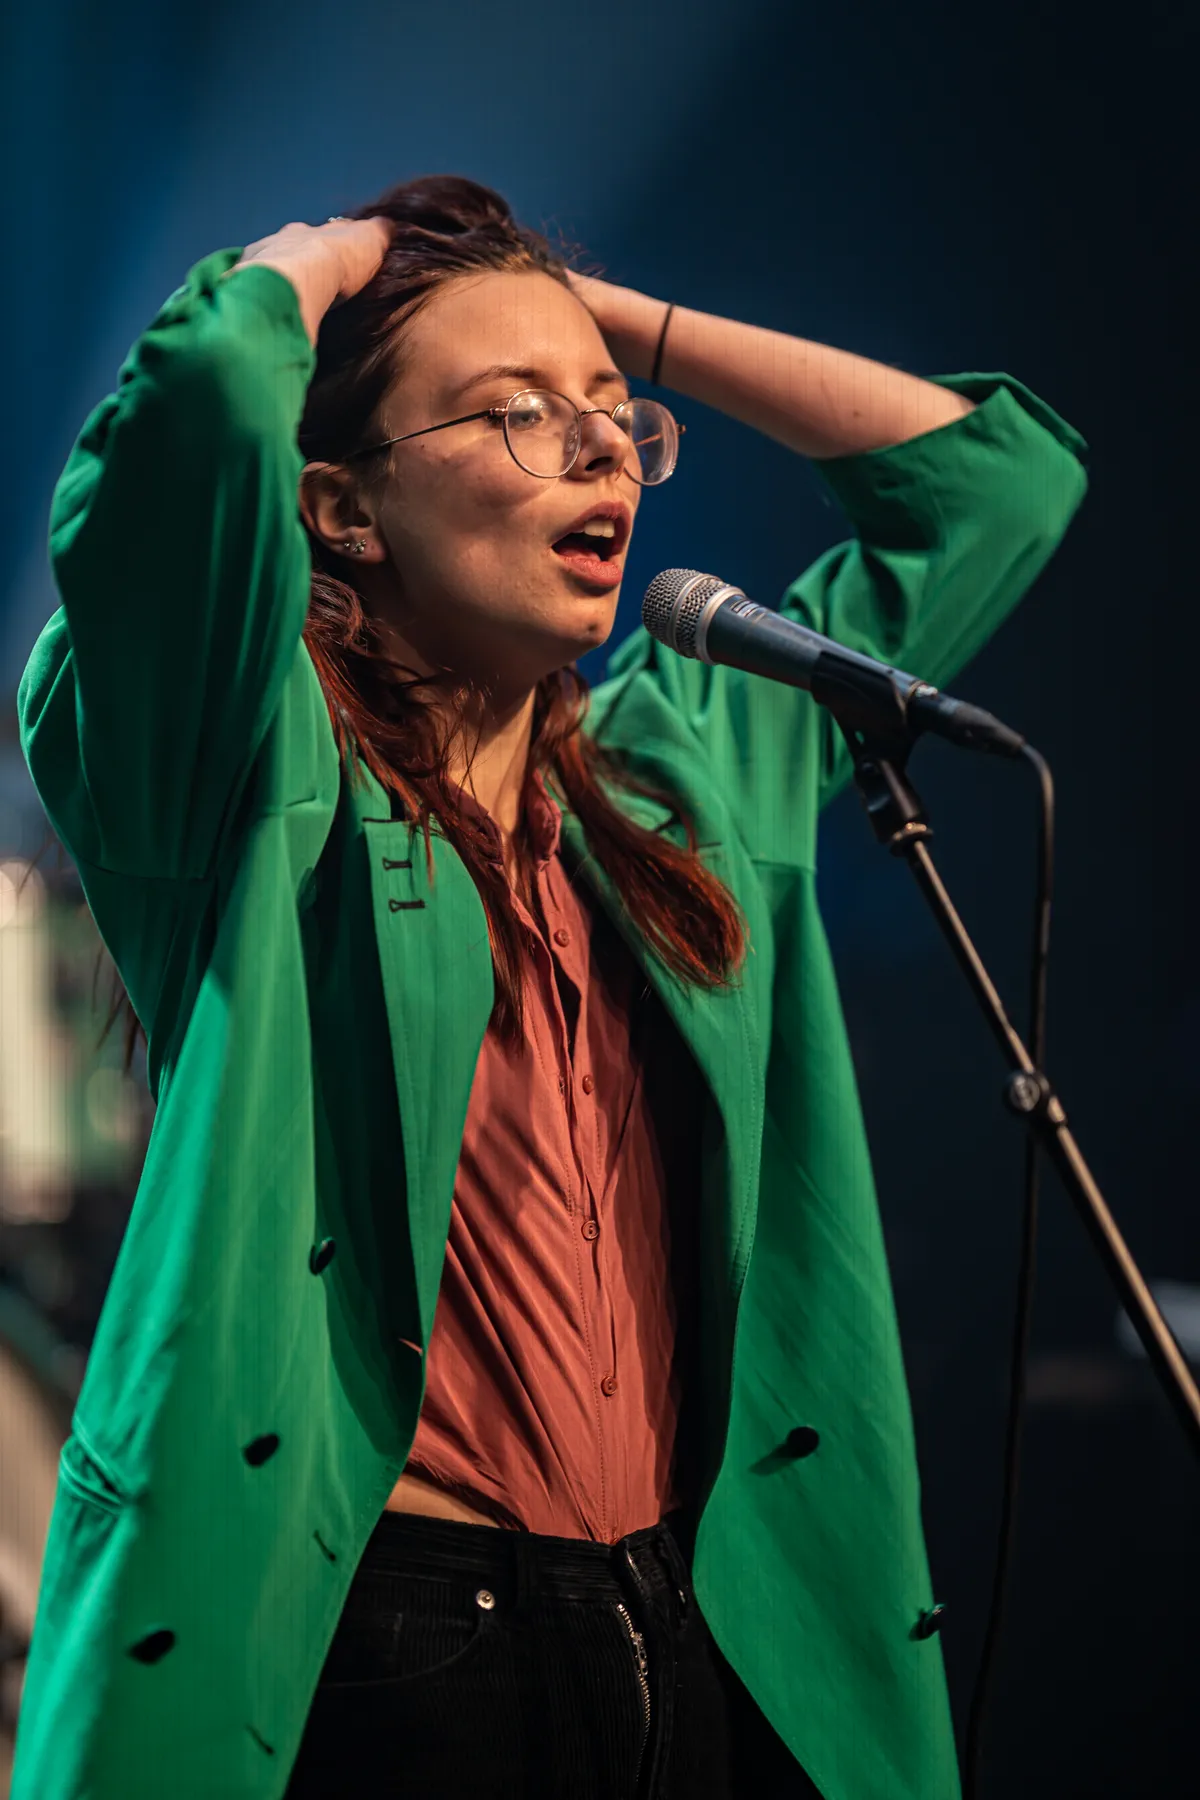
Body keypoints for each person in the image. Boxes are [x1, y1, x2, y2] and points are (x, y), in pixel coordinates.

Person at [11, 175, 1087, 1799]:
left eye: (612, 418)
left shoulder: (687, 773)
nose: (600, 453)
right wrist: (342, 254)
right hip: (391, 1636)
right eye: (517, 415)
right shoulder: (248, 777)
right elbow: (202, 400)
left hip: (686, 1617)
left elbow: (999, 481)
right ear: (341, 507)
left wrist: (611, 323)